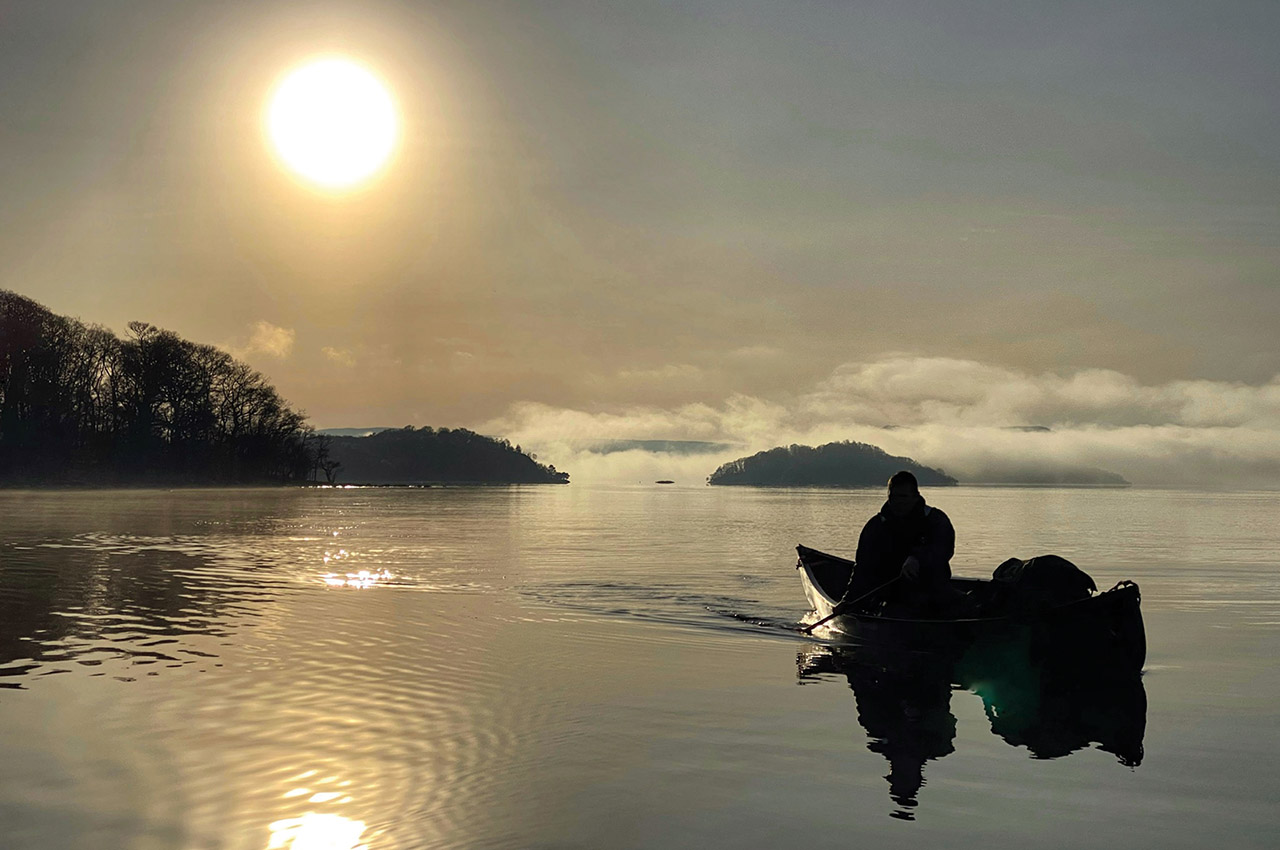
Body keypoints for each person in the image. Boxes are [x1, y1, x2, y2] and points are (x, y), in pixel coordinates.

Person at [852, 471, 956, 614]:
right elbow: (862, 567)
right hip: (888, 596)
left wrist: (917, 558)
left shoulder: (936, 519)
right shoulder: (876, 525)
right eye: (893, 497)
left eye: (903, 497)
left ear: (916, 496)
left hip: (933, 591)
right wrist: (848, 600)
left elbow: (944, 548)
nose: (898, 502)